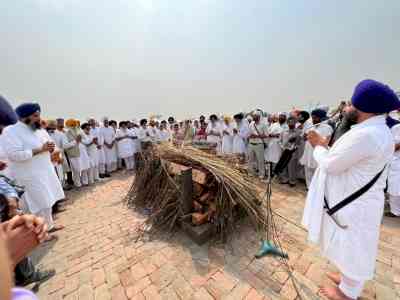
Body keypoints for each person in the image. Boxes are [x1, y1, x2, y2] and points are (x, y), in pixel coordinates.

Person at [302, 79, 400, 300]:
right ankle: (348, 279)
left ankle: (347, 293)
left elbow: (330, 164)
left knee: (355, 248)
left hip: (357, 206)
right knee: (349, 246)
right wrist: (326, 147)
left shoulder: (365, 135)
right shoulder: (374, 130)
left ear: (365, 108)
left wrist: (318, 146)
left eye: (351, 105)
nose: (346, 108)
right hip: (359, 203)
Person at [3, 103, 65, 235]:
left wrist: (55, 153)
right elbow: (14, 155)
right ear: (24, 117)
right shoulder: (11, 131)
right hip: (29, 175)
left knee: (47, 201)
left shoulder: (39, 130)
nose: (39, 118)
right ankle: (38, 233)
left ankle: (49, 226)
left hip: (45, 171)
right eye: (35, 116)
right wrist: (40, 150)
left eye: (39, 115)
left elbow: (50, 145)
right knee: (37, 204)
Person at [300, 109, 333, 188]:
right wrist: (305, 136)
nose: (313, 119)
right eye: (313, 117)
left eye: (315, 118)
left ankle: (317, 188)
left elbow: (326, 141)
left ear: (321, 118)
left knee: (317, 171)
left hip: (318, 152)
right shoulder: (310, 126)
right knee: (308, 170)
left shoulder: (327, 128)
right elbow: (304, 138)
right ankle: (309, 187)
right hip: (308, 152)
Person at [278, 116, 302, 186]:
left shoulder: (298, 132)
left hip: (292, 152)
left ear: (295, 123)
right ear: (287, 123)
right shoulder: (283, 131)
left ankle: (292, 181)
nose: (291, 124)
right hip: (284, 151)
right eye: (289, 122)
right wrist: (282, 147)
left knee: (292, 167)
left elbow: (299, 143)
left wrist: (294, 147)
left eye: (292, 123)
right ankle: (284, 179)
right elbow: (279, 141)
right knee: (283, 166)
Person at [248, 111, 268, 179]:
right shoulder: (251, 124)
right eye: (253, 115)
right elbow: (248, 133)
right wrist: (250, 135)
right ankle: (250, 173)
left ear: (259, 117)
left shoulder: (263, 124)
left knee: (260, 160)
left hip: (259, 144)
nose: (253, 117)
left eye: (255, 116)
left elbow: (266, 135)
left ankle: (261, 174)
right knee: (250, 159)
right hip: (251, 143)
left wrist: (256, 136)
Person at [386, 122, 400, 217]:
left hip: (396, 162)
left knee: (395, 186)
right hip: (396, 161)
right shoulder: (396, 128)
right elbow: (391, 145)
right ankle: (395, 210)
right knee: (394, 187)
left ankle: (395, 211)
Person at [64, 119, 83, 188]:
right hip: (71, 154)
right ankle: (77, 183)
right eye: (72, 125)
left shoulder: (77, 131)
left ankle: (78, 183)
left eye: (74, 125)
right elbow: (65, 146)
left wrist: (78, 141)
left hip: (77, 153)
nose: (74, 126)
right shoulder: (66, 133)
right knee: (75, 169)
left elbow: (79, 141)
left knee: (78, 169)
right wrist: (76, 141)